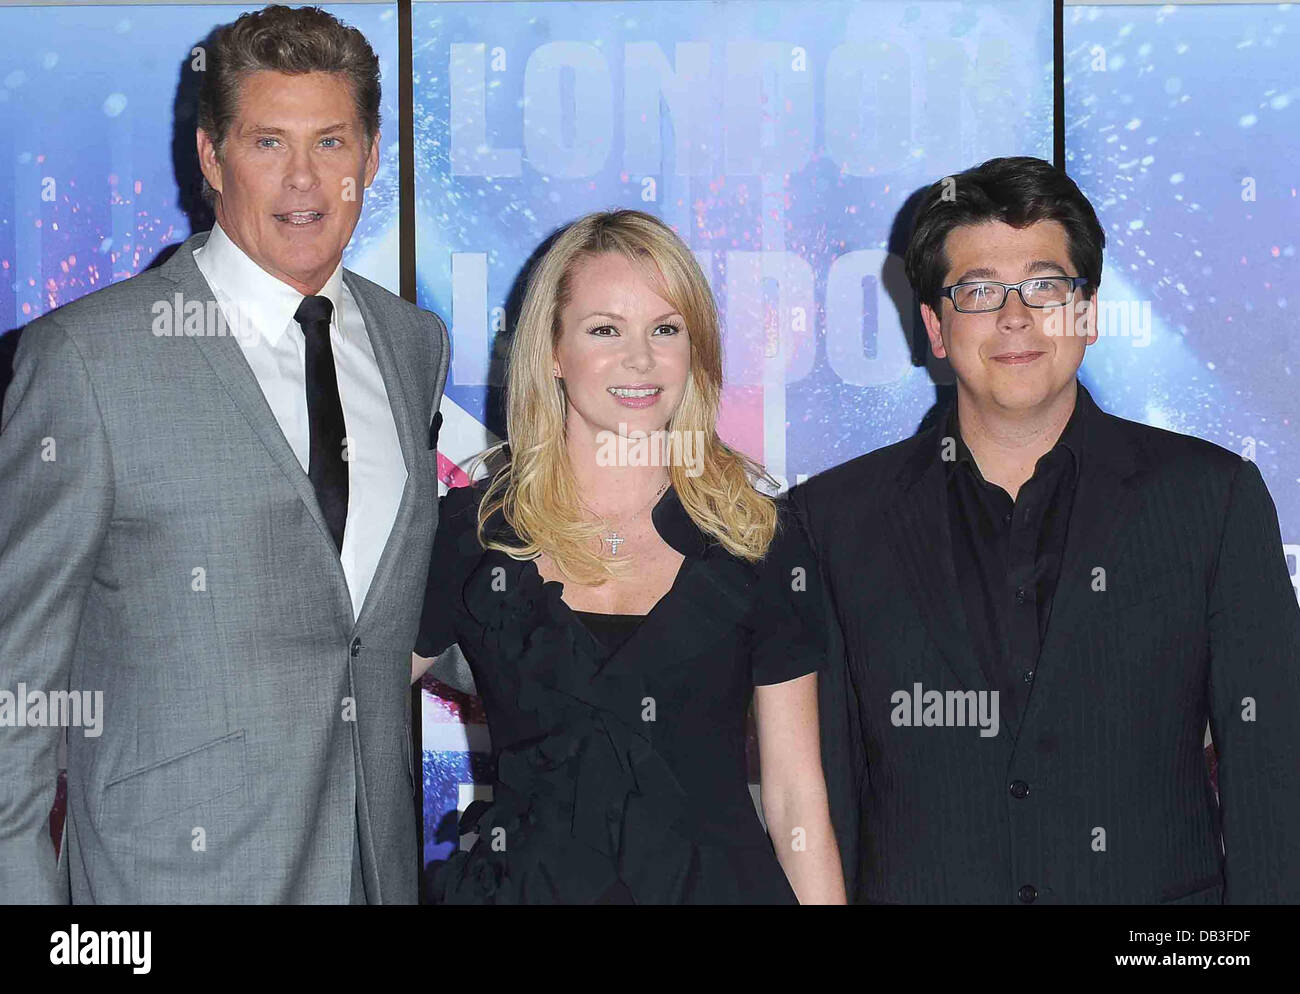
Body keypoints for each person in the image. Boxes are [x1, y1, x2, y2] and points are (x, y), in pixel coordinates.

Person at [0, 5, 449, 903]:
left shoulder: (413, 344)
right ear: (211, 157)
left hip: (375, 876)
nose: (304, 181)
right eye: (267, 143)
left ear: (370, 156)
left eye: (331, 142)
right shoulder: (88, 361)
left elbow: (390, 604)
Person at [794, 155, 1300, 904]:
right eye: (978, 290)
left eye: (1045, 285)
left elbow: (1273, 774)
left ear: (1088, 313)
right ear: (935, 326)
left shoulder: (1211, 499)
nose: (1015, 316)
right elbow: (825, 791)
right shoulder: (831, 522)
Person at [412, 209, 844, 904]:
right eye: (605, 329)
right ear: (552, 350)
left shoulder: (758, 536)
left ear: (695, 350)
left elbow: (796, 798)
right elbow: (345, 697)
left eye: (665, 330)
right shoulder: (474, 531)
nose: (639, 360)